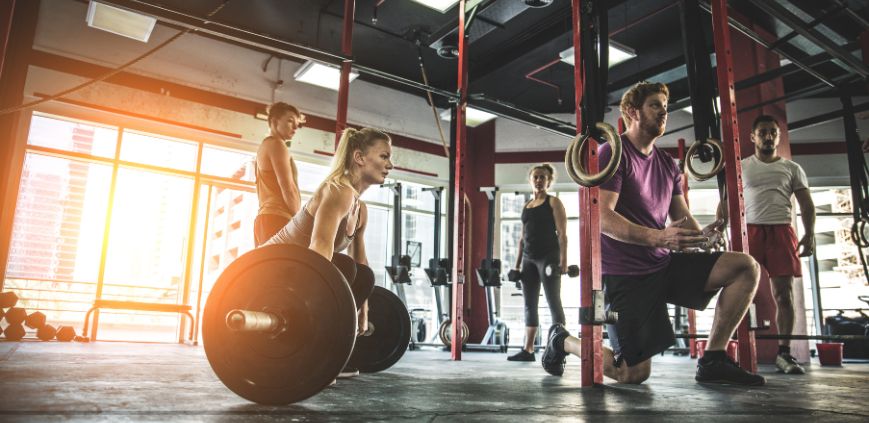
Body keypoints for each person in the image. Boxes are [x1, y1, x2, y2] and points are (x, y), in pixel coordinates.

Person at [541, 81, 765, 386]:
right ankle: (562, 340)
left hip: (662, 265)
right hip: (626, 275)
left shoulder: (666, 164)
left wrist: (704, 239)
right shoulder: (612, 154)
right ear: (633, 111)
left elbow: (682, 220)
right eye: (655, 105)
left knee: (744, 267)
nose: (663, 113)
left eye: (666, 107)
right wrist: (659, 237)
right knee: (632, 374)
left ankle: (713, 358)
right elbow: (601, 218)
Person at [263, 127, 394, 377]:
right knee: (343, 268)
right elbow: (319, 250)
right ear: (359, 158)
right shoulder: (338, 191)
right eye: (384, 156)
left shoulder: (360, 208)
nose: (390, 165)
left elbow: (362, 266)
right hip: (267, 268)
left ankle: (329, 351)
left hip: (296, 270)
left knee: (361, 273)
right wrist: (310, 316)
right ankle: (313, 349)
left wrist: (362, 312)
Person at [716, 115, 815, 375]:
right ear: (753, 137)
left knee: (784, 294)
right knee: (736, 291)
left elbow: (806, 204)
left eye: (773, 132)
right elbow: (726, 203)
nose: (768, 136)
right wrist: (718, 227)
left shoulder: (792, 168)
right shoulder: (741, 166)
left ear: (778, 136)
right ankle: (725, 351)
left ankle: (784, 354)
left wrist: (811, 233)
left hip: (782, 231)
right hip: (749, 232)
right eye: (763, 132)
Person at [507, 164, 568, 362]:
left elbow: (562, 235)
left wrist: (564, 262)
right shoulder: (526, 206)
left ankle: (558, 348)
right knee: (529, 305)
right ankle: (528, 350)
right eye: (536, 177)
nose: (539, 180)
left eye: (543, 177)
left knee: (553, 301)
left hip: (548, 257)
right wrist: (516, 266)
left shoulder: (554, 203)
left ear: (549, 181)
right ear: (531, 180)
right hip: (528, 259)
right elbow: (522, 239)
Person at [254, 102, 306, 246]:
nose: (295, 127)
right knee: (281, 268)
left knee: (267, 268)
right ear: (274, 121)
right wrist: (300, 223)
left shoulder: (264, 146)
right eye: (290, 121)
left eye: (296, 123)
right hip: (277, 218)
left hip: (265, 219)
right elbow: (288, 188)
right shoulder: (277, 144)